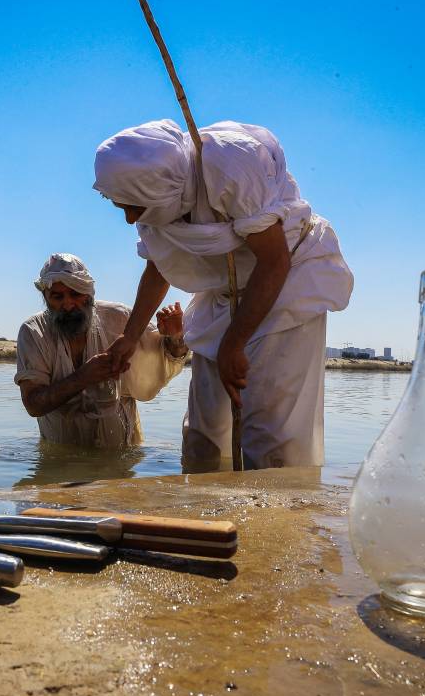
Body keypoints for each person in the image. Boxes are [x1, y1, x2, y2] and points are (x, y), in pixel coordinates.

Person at [93, 119, 354, 470]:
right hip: (221, 295)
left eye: (133, 208)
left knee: (271, 438)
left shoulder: (229, 162)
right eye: (119, 206)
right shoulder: (150, 200)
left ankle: (277, 521)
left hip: (286, 286)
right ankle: (209, 518)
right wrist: (130, 336)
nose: (128, 219)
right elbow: (159, 267)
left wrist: (235, 343)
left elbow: (274, 261)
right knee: (204, 438)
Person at [15, 253, 188, 448]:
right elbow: (33, 404)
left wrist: (176, 336)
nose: (68, 304)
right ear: (46, 297)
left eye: (75, 294)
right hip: (60, 455)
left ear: (89, 294)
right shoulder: (33, 332)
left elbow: (163, 358)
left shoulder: (120, 319)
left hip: (122, 454)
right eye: (57, 296)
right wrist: (84, 377)